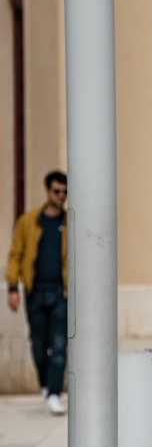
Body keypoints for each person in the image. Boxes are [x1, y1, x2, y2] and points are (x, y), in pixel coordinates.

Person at [6, 171, 69, 415]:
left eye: (64, 192)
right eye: (56, 191)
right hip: (35, 292)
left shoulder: (69, 222)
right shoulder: (28, 222)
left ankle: (54, 392)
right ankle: (45, 384)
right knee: (39, 344)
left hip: (59, 293)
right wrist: (13, 287)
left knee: (60, 344)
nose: (61, 196)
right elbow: (16, 255)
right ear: (47, 191)